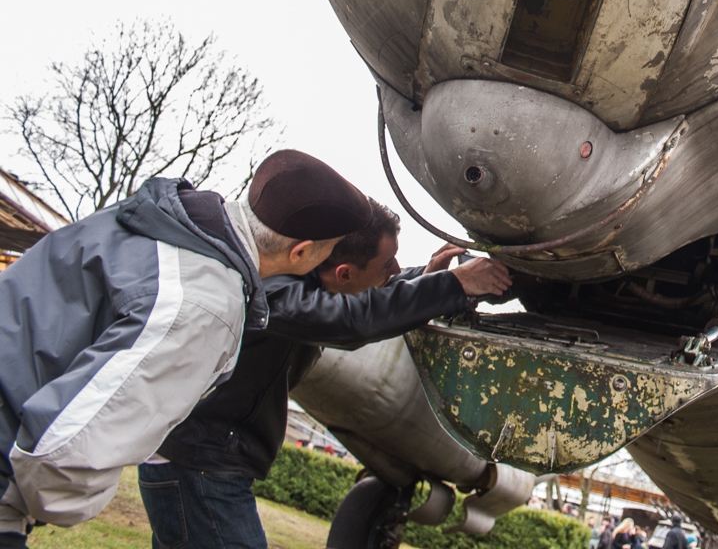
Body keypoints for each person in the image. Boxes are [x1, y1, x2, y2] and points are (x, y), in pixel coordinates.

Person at [0, 149, 371, 548]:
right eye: (330, 249)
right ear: (301, 252)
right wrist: (42, 506)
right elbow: (66, 453)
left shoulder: (161, 218)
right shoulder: (205, 304)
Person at [139, 198, 511, 549]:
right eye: (388, 264)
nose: (396, 270)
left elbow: (368, 294)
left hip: (200, 464)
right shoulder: (275, 295)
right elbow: (351, 318)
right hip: (199, 468)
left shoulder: (303, 281)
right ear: (343, 272)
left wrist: (428, 279)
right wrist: (454, 284)